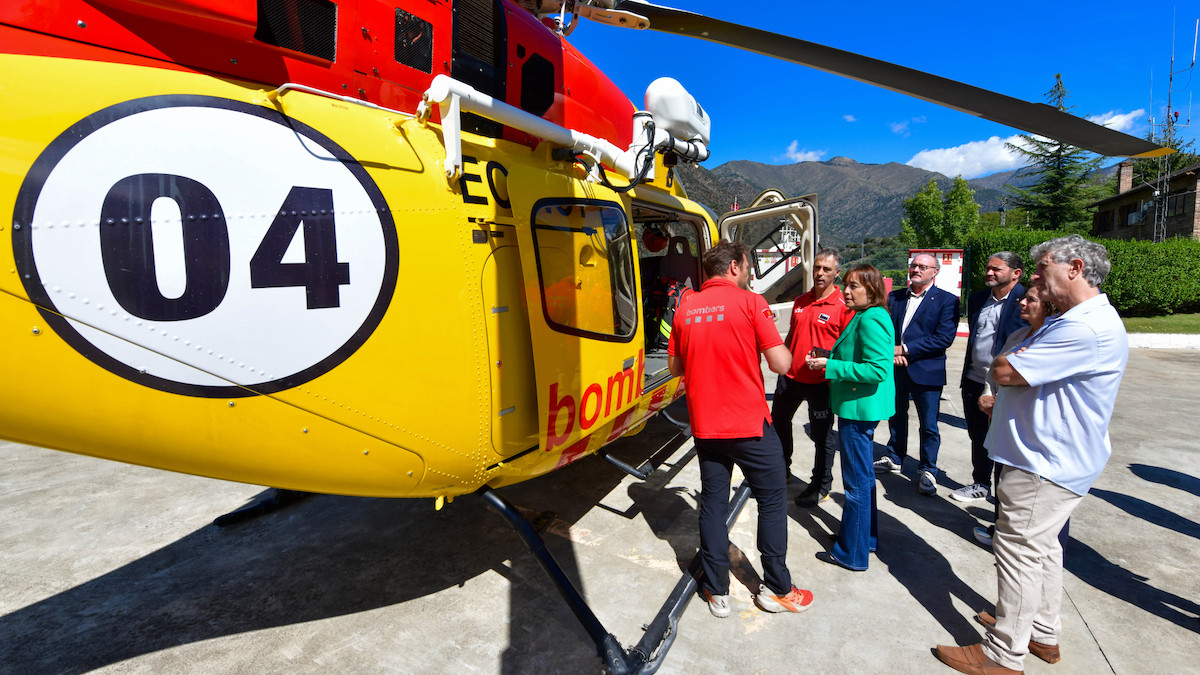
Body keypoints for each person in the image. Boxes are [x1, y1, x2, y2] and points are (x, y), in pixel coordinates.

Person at [935, 235, 1129, 675]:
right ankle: (1041, 632)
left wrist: (1011, 359)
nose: (1035, 280)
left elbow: (1002, 369)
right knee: (1042, 551)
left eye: (1042, 270)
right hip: (1051, 459)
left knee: (1019, 550)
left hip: (1044, 463)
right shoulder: (1076, 319)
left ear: (1075, 268)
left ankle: (1003, 653)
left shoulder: (1081, 327)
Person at [667, 241, 815, 618]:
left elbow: (674, 369)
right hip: (748, 424)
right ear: (733, 267)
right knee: (771, 499)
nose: (748, 273)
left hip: (705, 426)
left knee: (713, 504)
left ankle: (717, 592)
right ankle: (778, 588)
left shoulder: (685, 308)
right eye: (747, 266)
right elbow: (781, 364)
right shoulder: (751, 303)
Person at [804, 265, 895, 571]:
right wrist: (830, 359)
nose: (846, 291)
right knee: (864, 482)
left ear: (872, 290)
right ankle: (863, 539)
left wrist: (831, 368)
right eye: (846, 285)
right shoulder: (864, 316)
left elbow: (877, 370)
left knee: (856, 485)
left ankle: (851, 553)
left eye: (854, 286)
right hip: (858, 407)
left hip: (859, 410)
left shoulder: (872, 319)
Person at [969, 286, 1054, 547]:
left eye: (1031, 300)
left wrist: (1002, 384)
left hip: (1027, 428)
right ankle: (999, 526)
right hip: (1002, 418)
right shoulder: (1018, 335)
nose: (1022, 303)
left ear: (1049, 306)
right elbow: (995, 369)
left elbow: (1019, 376)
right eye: (1023, 298)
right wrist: (988, 394)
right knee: (1002, 477)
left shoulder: (1051, 340)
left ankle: (1013, 539)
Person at [771, 249, 855, 507]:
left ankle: (821, 484)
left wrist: (830, 363)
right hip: (791, 377)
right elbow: (791, 338)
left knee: (822, 436)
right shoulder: (801, 301)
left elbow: (847, 348)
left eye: (826, 270)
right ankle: (781, 469)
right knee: (778, 423)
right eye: (817, 268)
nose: (820, 273)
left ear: (837, 274)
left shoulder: (843, 307)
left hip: (822, 383)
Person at [874, 253, 959, 496]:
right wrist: (893, 353)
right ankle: (894, 456)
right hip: (896, 367)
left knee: (929, 424)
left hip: (926, 371)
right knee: (896, 415)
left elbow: (944, 338)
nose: (916, 269)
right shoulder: (895, 297)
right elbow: (887, 329)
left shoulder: (947, 301)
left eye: (923, 266)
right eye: (914, 265)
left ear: (935, 272)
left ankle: (928, 469)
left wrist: (907, 350)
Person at [952, 253, 1027, 503]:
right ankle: (981, 483)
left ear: (1016, 273)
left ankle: (1002, 496)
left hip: (1005, 386)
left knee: (1003, 442)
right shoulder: (977, 301)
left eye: (996, 269)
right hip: (973, 379)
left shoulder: (1026, 301)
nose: (989, 273)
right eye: (987, 268)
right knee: (978, 436)